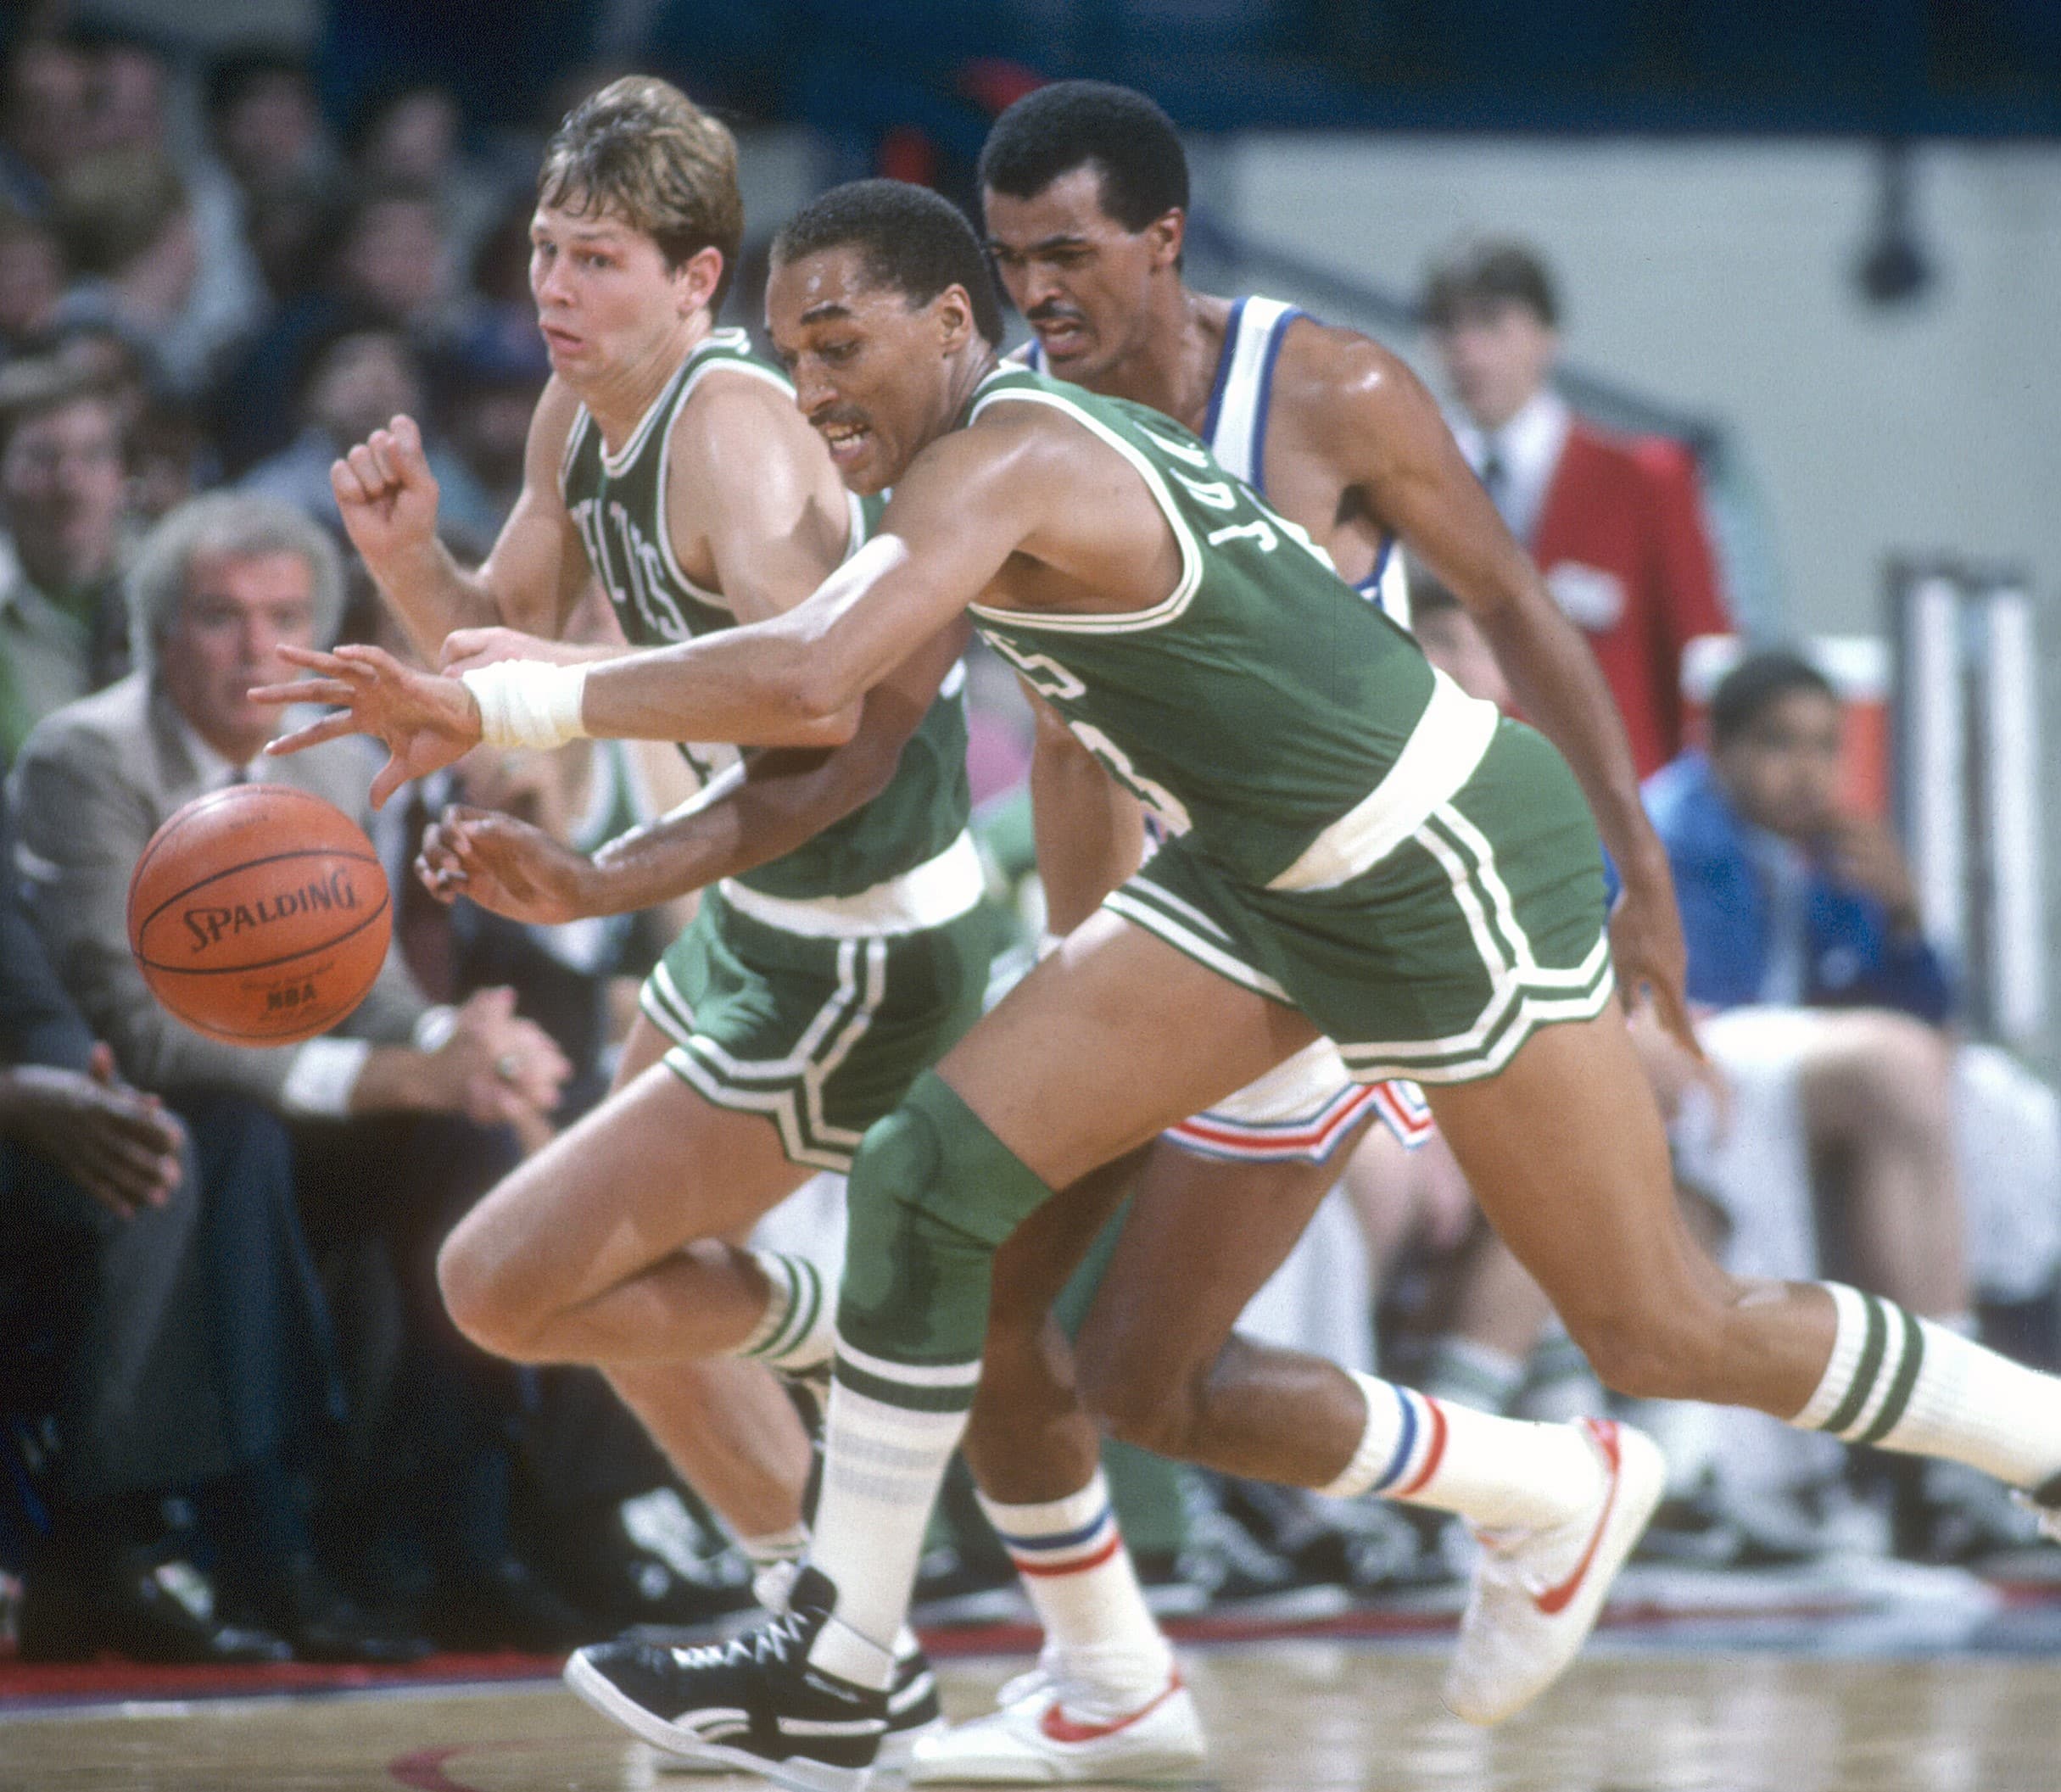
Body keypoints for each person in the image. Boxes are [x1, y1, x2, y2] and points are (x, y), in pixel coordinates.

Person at [268, 177, 2061, 1792]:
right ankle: (851, 1654)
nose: (813, 388)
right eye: (793, 354)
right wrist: (594, 839)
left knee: (1666, 1323)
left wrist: (506, 698)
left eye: (844, 345)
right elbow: (852, 727)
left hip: (1431, 861)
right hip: (1248, 875)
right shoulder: (948, 477)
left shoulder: (1013, 455)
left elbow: (812, 666)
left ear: (953, 327)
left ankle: (2032, 1432)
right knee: (940, 1192)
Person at [876, 78, 1699, 1782]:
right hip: (1187, 930)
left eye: (1071, 251)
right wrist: (1081, 956)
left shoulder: (1325, 388)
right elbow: (1079, 732)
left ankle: (1510, 1493)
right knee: (1092, 1353)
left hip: (1342, 921)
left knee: (1100, 1334)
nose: (1037, 289)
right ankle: (1505, 1493)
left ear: (1165, 239)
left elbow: (1526, 620)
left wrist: (1643, 880)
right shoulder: (1020, 429)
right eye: (1012, 255)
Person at [301, 76, 987, 1750]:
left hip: (868, 933)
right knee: (602, 1280)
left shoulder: (736, 427)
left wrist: (553, 700)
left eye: (597, 257)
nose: (553, 286)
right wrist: (408, 570)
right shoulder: (570, 417)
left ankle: (861, 1342)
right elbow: (498, 640)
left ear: (697, 280)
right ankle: (821, 1622)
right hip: (754, 922)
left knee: (505, 1284)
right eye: (542, 248)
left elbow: (822, 701)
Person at [7, 488, 569, 1654]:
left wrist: (453, 1051)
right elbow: (141, 1028)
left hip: (293, 1101)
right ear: (161, 632)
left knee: (472, 1135)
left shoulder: (329, 757)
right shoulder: (84, 759)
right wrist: (376, 1083)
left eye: (284, 615)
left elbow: (380, 992)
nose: (258, 646)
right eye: (221, 615)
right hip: (159, 1117)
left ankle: (465, 1536)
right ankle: (265, 1547)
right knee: (233, 1134)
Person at [1648, 648, 2061, 1555]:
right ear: (1717, 745)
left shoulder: (1832, 853)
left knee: (1979, 1094)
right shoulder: (1668, 832)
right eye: (1780, 744)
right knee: (1894, 1069)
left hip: (1802, 1065)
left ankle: (1942, 1448)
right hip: (1699, 1050)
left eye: (1825, 746)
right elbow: (1690, 994)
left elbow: (1925, 1017)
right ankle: (1953, 1435)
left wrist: (1906, 915)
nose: (1808, 770)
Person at [1422, 237, 1731, 779]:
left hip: (1609, 810)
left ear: (1547, 339)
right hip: (1454, 800)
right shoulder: (1411, 480)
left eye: (1491, 325)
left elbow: (1701, 659)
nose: (1467, 350)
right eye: (1449, 328)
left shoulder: (1645, 481)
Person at [0, 354, 129, 768]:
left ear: (120, 473)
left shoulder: (179, 582)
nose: (70, 484)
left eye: (93, 455)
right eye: (41, 458)